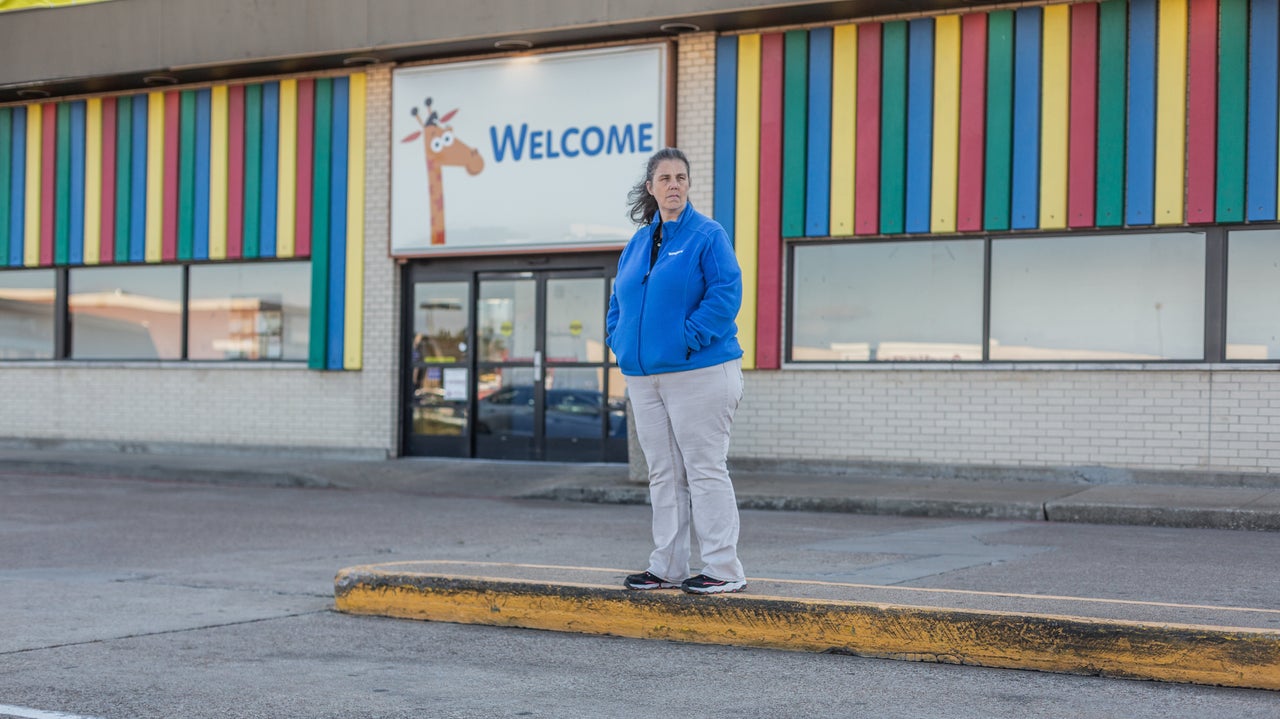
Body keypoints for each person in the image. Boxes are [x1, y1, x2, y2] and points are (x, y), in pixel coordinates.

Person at [606, 147, 747, 595]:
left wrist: (687, 338)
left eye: (681, 178)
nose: (673, 185)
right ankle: (666, 566)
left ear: (688, 185)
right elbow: (618, 302)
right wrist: (620, 340)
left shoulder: (707, 234)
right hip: (644, 376)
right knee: (663, 472)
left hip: (699, 371)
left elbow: (726, 293)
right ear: (651, 187)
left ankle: (723, 569)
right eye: (664, 178)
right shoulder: (638, 243)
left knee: (704, 468)